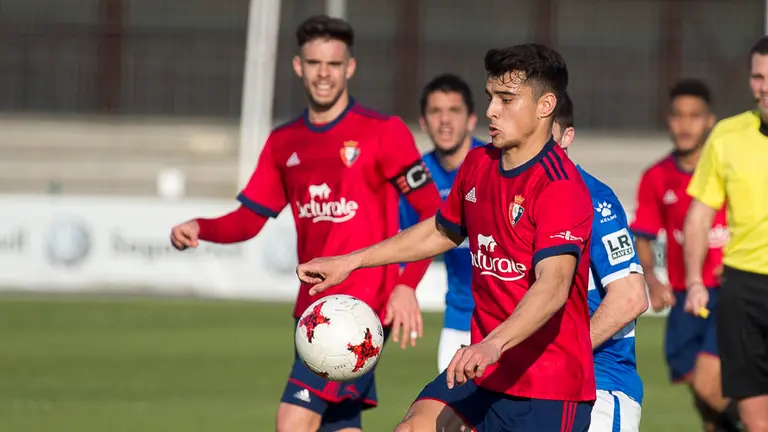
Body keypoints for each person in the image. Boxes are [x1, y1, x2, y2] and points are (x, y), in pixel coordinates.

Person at [297, 43, 596, 432]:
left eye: (507, 99)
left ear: (545, 106)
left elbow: (554, 287)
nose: (491, 110)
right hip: (483, 372)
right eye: (491, 98)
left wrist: (492, 344)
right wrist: (348, 262)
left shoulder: (561, 186)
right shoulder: (478, 164)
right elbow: (441, 230)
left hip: (548, 388)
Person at [169, 15, 443, 432]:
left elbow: (432, 214)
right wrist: (201, 227)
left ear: (350, 67)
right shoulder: (285, 142)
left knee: (293, 420)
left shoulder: (382, 132)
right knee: (339, 422)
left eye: (333, 64)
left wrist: (407, 284)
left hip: (358, 308)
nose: (324, 74)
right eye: (314, 63)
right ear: (298, 66)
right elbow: (249, 219)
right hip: (312, 307)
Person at [629, 79, 740, 432]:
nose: (685, 124)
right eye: (678, 116)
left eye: (694, 116)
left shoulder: (729, 168)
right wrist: (652, 278)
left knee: (710, 384)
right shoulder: (656, 177)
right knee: (705, 405)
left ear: (710, 120)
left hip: (728, 295)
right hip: (682, 299)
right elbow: (642, 236)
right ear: (668, 120)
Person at [684, 35, 768, 432]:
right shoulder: (727, 135)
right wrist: (696, 280)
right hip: (742, 288)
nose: (763, 86)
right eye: (757, 77)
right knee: (752, 412)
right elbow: (699, 215)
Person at [553, 93, 648, 431]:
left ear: (568, 136)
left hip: (601, 386)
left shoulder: (596, 200)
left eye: (546, 138)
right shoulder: (523, 199)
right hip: (537, 389)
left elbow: (631, 298)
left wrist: (562, 354)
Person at [399, 73, 485, 373]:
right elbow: (406, 243)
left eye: (454, 111)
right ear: (423, 122)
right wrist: (402, 286)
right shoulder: (416, 177)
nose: (445, 121)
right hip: (459, 319)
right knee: (447, 418)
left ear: (472, 119)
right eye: (436, 111)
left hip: (508, 319)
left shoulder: (495, 165)